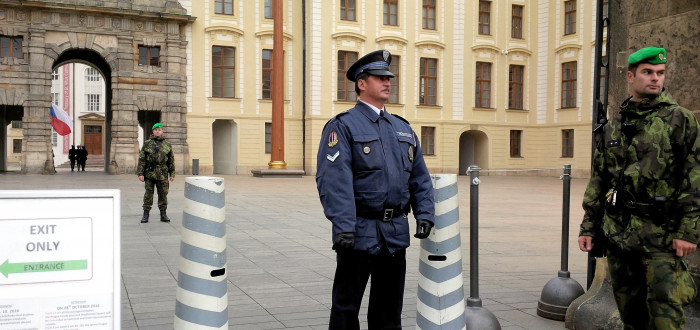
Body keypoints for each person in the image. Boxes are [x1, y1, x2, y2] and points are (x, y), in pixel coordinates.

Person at [578, 46, 699, 329]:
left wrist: (688, 232)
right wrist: (589, 226)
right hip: (620, 236)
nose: (655, 78)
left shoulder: (679, 120)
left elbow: (694, 177)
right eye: (648, 72)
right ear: (630, 77)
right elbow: (600, 179)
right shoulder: (614, 126)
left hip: (662, 237)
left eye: (660, 73)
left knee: (666, 317)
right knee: (630, 315)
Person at [316, 50, 435, 329]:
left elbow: (419, 176)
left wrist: (425, 213)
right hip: (358, 233)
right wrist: (343, 226)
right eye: (380, 77)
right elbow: (334, 180)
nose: (387, 82)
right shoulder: (343, 126)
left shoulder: (401, 128)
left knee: (388, 310)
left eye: (388, 78)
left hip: (394, 233)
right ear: (361, 83)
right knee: (346, 307)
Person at [137, 123, 175, 223]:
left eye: (159, 129)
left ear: (162, 131)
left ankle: (163, 214)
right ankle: (146, 214)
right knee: (148, 195)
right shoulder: (147, 143)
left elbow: (171, 160)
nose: (157, 131)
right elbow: (142, 159)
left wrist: (172, 174)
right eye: (156, 130)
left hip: (162, 174)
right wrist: (140, 173)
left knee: (163, 195)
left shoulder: (167, 144)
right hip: (150, 173)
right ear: (153, 131)